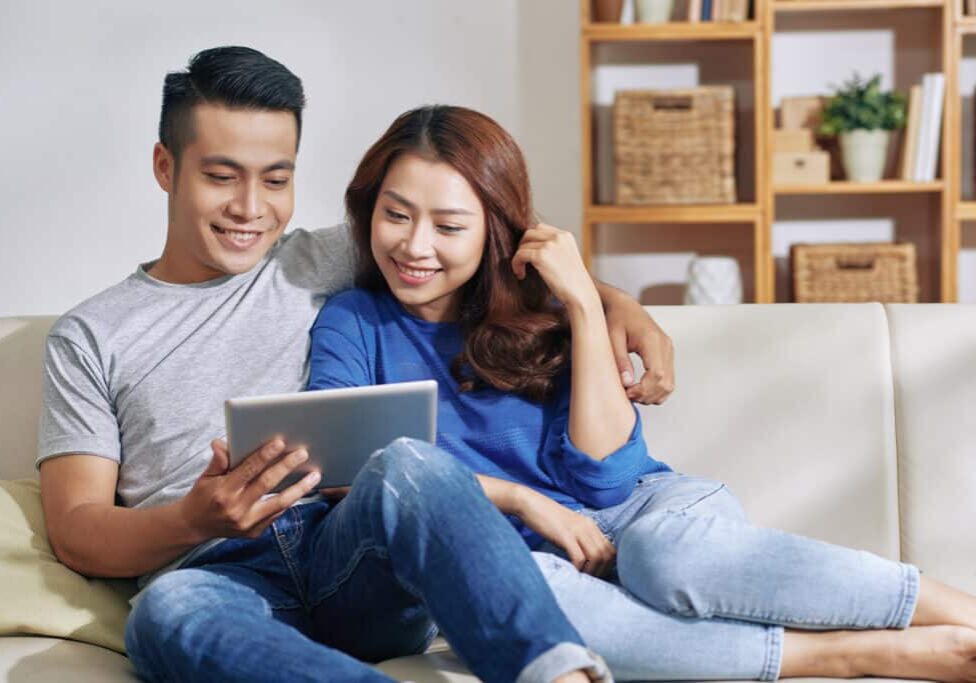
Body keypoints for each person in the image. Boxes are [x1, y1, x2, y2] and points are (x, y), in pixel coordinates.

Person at [36, 47, 678, 683]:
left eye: (277, 179)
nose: (250, 208)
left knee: (408, 461)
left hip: (348, 546)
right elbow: (77, 531)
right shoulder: (92, 334)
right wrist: (191, 519)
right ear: (165, 167)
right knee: (162, 616)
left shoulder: (316, 258)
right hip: (215, 572)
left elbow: (487, 232)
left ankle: (558, 675)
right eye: (221, 176)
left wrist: (611, 302)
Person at [307, 104, 976, 681]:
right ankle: (848, 656)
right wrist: (526, 502)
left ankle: (962, 610)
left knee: (666, 554)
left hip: (644, 510)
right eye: (396, 215)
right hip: (527, 554)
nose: (415, 245)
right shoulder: (353, 323)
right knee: (524, 594)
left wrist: (583, 301)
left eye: (449, 226)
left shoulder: (551, 308)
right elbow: (356, 473)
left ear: (493, 229)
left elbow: (606, 480)